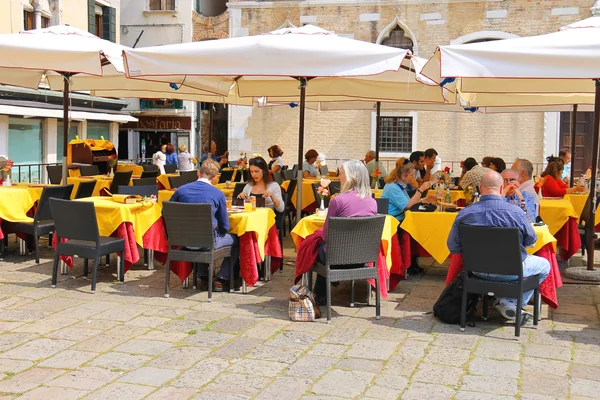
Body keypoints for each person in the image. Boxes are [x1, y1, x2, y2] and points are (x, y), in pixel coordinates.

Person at [447, 170, 550, 326]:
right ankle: (510, 302)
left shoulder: (464, 214)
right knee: (545, 265)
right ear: (502, 188)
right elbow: (531, 240)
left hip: (477, 270)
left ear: (480, 188)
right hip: (511, 271)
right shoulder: (515, 212)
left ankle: (506, 302)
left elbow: (453, 247)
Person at [170, 159, 239, 292]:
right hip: (206, 242)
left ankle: (204, 277)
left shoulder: (181, 190)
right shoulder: (218, 194)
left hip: (182, 240)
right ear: (214, 178)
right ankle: (222, 278)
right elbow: (225, 225)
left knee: (201, 235)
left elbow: (166, 212)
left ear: (198, 173)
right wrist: (219, 233)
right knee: (236, 239)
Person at [314, 160, 377, 301]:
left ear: (350, 177)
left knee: (316, 247)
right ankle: (324, 291)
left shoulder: (338, 201)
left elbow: (326, 236)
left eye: (341, 173)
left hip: (336, 259)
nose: (338, 177)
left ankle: (320, 295)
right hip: (363, 258)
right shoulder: (372, 202)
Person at [382, 159, 437, 275]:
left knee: (416, 228)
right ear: (403, 175)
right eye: (411, 175)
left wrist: (425, 199)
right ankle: (409, 264)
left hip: (398, 220)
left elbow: (409, 201)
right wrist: (421, 190)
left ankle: (412, 262)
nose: (412, 178)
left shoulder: (398, 186)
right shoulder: (393, 188)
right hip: (393, 223)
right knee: (414, 230)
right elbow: (408, 205)